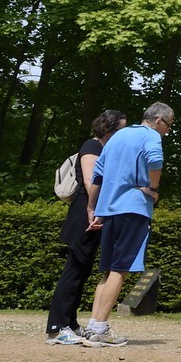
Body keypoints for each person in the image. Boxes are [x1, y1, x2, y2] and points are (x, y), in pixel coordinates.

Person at [82, 101, 174, 347]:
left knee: (108, 270)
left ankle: (93, 326)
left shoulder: (117, 136)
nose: (167, 131)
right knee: (119, 269)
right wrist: (153, 188)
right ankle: (100, 330)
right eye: (168, 125)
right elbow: (155, 162)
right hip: (133, 208)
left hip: (109, 209)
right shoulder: (151, 136)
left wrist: (93, 208)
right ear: (159, 121)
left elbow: (98, 174)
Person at [44, 110, 127, 346]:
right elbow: (91, 181)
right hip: (85, 215)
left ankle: (69, 324)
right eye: (121, 129)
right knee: (74, 270)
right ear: (109, 129)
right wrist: (94, 210)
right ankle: (56, 328)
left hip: (94, 215)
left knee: (82, 271)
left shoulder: (105, 149)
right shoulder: (92, 146)